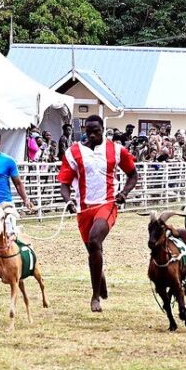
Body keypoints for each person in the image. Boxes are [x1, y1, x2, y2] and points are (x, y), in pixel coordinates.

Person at [57, 114, 138, 312]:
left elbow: (133, 174)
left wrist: (124, 193)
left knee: (95, 241)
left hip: (107, 204)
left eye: (96, 131)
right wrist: (68, 202)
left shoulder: (116, 149)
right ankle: (100, 276)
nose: (92, 135)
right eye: (89, 132)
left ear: (103, 130)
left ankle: (95, 298)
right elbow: (64, 184)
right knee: (93, 250)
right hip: (84, 208)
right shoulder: (73, 152)